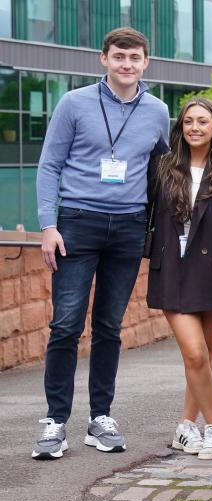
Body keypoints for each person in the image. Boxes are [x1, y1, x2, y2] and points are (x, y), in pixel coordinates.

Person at [32, 28, 170, 459]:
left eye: (134, 58)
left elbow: (164, 170)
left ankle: (100, 418)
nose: (126, 64)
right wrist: (47, 226)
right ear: (103, 59)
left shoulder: (157, 111)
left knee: (110, 327)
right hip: (76, 224)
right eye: (119, 57)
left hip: (128, 228)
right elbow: (49, 164)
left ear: (146, 62)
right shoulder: (74, 103)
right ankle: (55, 422)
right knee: (66, 325)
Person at [146, 96, 212, 460]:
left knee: (206, 354)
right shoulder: (163, 167)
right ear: (180, 127)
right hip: (171, 270)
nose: (195, 127)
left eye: (203, 121)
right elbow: (143, 211)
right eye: (188, 122)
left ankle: (186, 425)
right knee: (196, 352)